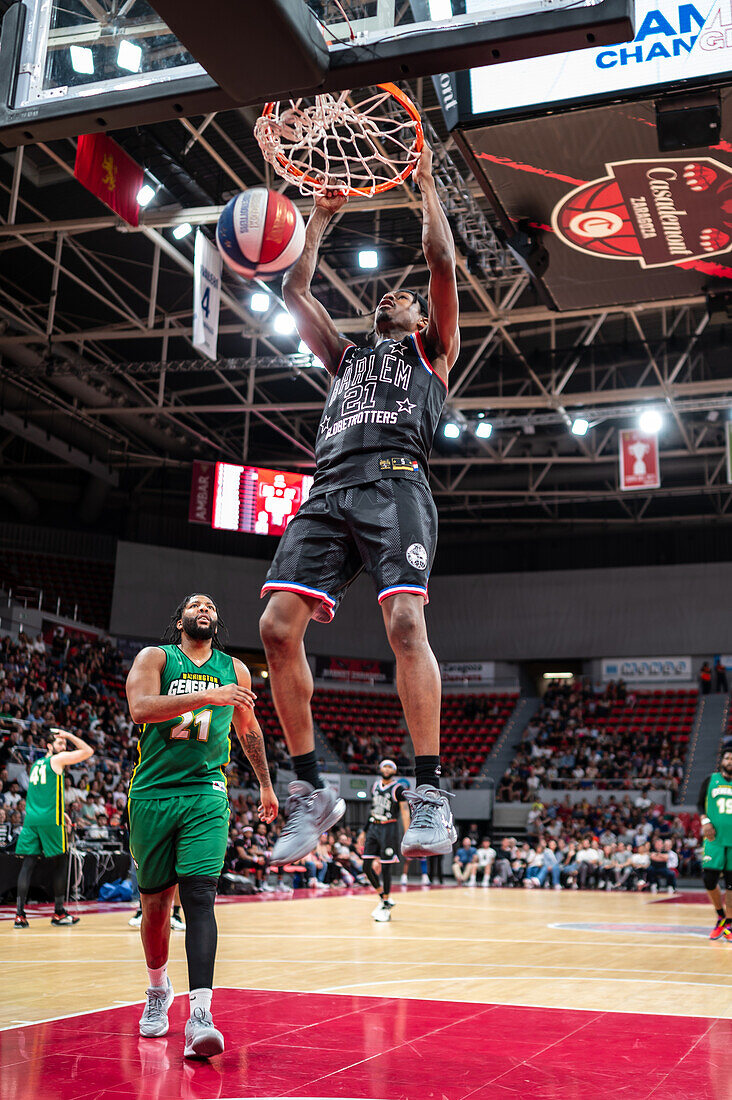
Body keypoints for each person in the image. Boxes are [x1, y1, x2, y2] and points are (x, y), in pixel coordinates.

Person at [259, 143, 460, 866]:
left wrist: (428, 184)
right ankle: (312, 791)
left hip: (394, 482)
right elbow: (293, 294)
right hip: (328, 487)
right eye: (385, 295)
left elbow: (439, 262)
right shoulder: (346, 358)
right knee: (277, 628)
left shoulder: (431, 352)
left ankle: (430, 791)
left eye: (399, 297)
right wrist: (316, 221)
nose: (391, 296)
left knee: (405, 621)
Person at [125, 593, 278, 1059]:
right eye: (196, 604)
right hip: (152, 793)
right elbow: (142, 709)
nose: (205, 607)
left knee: (199, 898)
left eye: (212, 605)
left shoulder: (236, 669)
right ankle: (158, 990)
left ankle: (201, 1014)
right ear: (180, 620)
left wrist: (266, 785)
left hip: (206, 792)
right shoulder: (156, 657)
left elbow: (249, 729)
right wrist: (210, 695)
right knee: (154, 908)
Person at [14, 727, 93, 928]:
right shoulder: (56, 760)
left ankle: (20, 915)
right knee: (61, 861)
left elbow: (39, 794)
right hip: (50, 820)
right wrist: (69, 735)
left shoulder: (35, 765)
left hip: (31, 819)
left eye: (64, 743)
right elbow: (88, 751)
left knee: (28, 864)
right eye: (60, 743)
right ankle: (58, 912)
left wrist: (61, 811)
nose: (64, 746)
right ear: (49, 746)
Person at [359, 759, 410, 923]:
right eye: (384, 766)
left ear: (394, 771)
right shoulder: (374, 786)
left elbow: (404, 811)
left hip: (389, 828)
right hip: (374, 827)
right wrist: (364, 831)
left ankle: (386, 904)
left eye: (390, 767)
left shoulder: (398, 788)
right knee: (366, 866)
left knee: (386, 867)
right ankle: (384, 898)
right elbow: (373, 809)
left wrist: (408, 832)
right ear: (380, 768)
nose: (386, 769)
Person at [697, 746, 732, 940]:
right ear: (722, 761)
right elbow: (699, 804)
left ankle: (729, 924)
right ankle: (721, 916)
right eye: (727, 758)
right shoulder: (710, 780)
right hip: (714, 839)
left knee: (731, 883)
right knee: (709, 879)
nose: (730, 761)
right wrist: (705, 821)